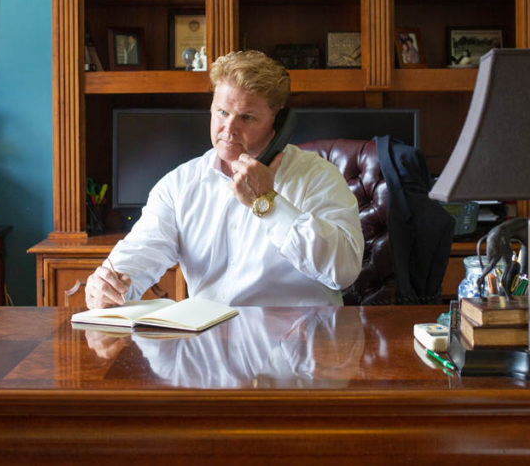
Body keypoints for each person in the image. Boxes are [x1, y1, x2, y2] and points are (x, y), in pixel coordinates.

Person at [84, 50, 363, 309]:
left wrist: (268, 202)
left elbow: (344, 271)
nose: (229, 129)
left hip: (300, 341)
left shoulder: (318, 177)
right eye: (222, 113)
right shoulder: (179, 185)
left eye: (247, 117)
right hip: (210, 339)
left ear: (278, 123)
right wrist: (107, 285)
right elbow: (138, 256)